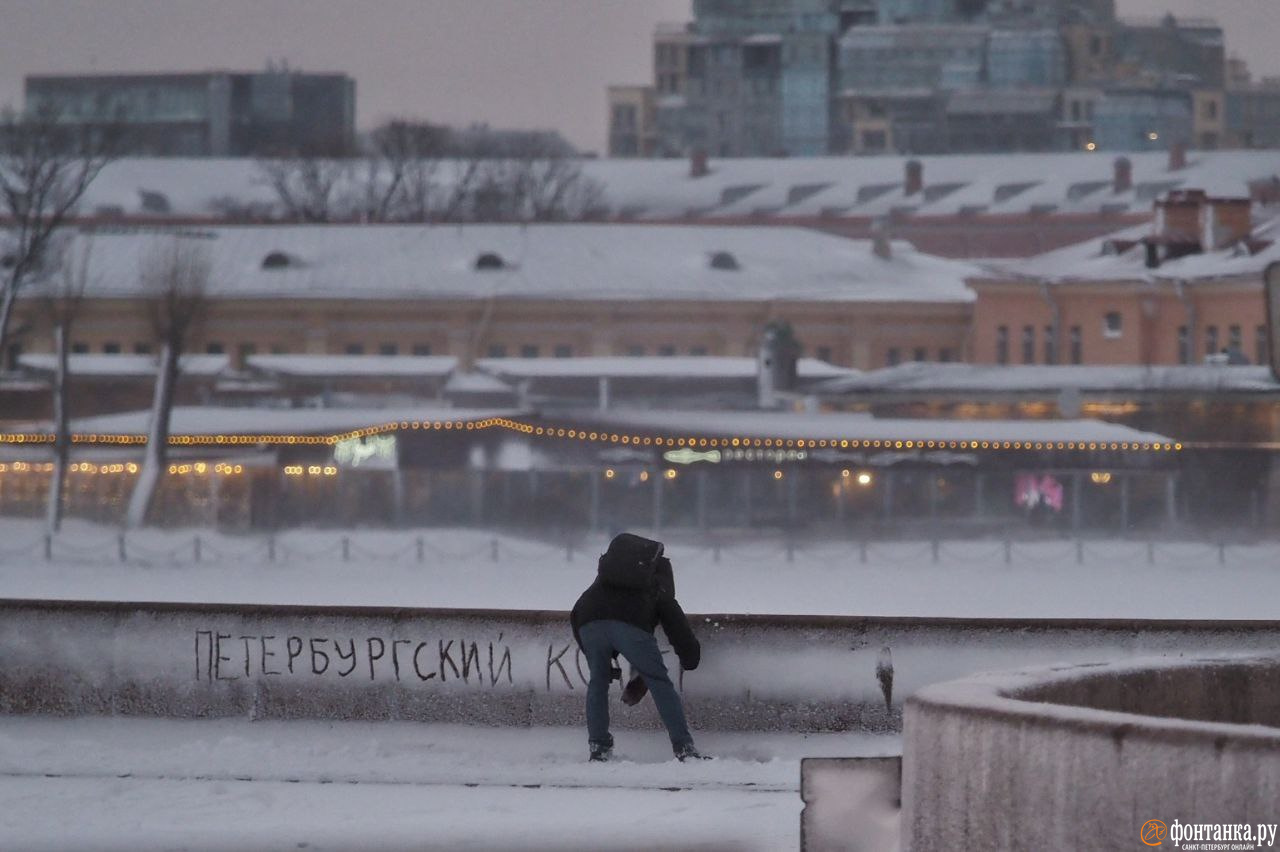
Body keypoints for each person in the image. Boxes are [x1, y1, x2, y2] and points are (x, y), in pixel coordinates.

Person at [570, 532, 705, 762]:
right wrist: (690, 658)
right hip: (630, 627)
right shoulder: (657, 578)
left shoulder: (607, 576)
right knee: (659, 683)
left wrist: (603, 659)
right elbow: (675, 622)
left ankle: (599, 748)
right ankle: (684, 748)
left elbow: (578, 614)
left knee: (598, 683)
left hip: (587, 622)